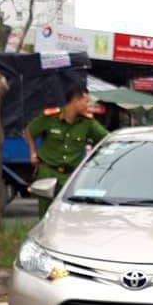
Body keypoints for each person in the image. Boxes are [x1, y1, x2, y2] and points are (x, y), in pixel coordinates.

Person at [25, 84, 109, 217]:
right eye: (86, 101)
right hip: (48, 172)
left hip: (71, 175)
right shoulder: (50, 117)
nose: (88, 105)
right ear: (75, 100)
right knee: (45, 214)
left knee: (69, 214)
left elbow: (107, 139)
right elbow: (29, 131)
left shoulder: (87, 123)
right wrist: (32, 153)